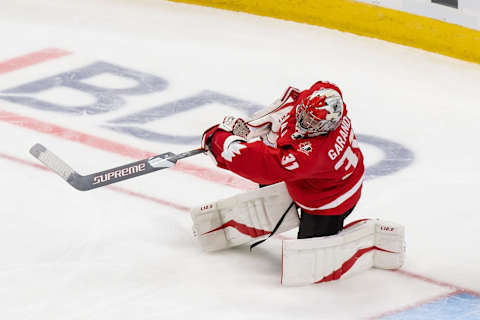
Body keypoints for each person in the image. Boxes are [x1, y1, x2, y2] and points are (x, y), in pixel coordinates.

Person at [200, 81, 364, 240]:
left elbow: (260, 163)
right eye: (305, 113)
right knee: (274, 168)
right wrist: (253, 126)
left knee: (304, 260)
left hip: (330, 201)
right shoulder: (326, 98)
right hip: (319, 179)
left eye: (311, 122)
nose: (303, 121)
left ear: (326, 127)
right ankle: (284, 199)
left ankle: (335, 233)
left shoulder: (313, 155)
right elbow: (298, 97)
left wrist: (219, 140)